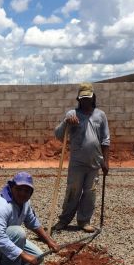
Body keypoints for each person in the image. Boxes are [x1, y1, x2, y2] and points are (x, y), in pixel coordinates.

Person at [53, 82, 110, 233]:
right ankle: (64, 220)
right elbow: (58, 135)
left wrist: (106, 161)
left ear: (93, 98)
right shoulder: (72, 115)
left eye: (88, 98)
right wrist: (66, 123)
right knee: (73, 191)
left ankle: (84, 221)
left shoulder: (100, 115)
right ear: (78, 99)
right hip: (77, 162)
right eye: (82, 98)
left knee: (90, 192)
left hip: (95, 162)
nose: (85, 101)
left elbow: (105, 140)